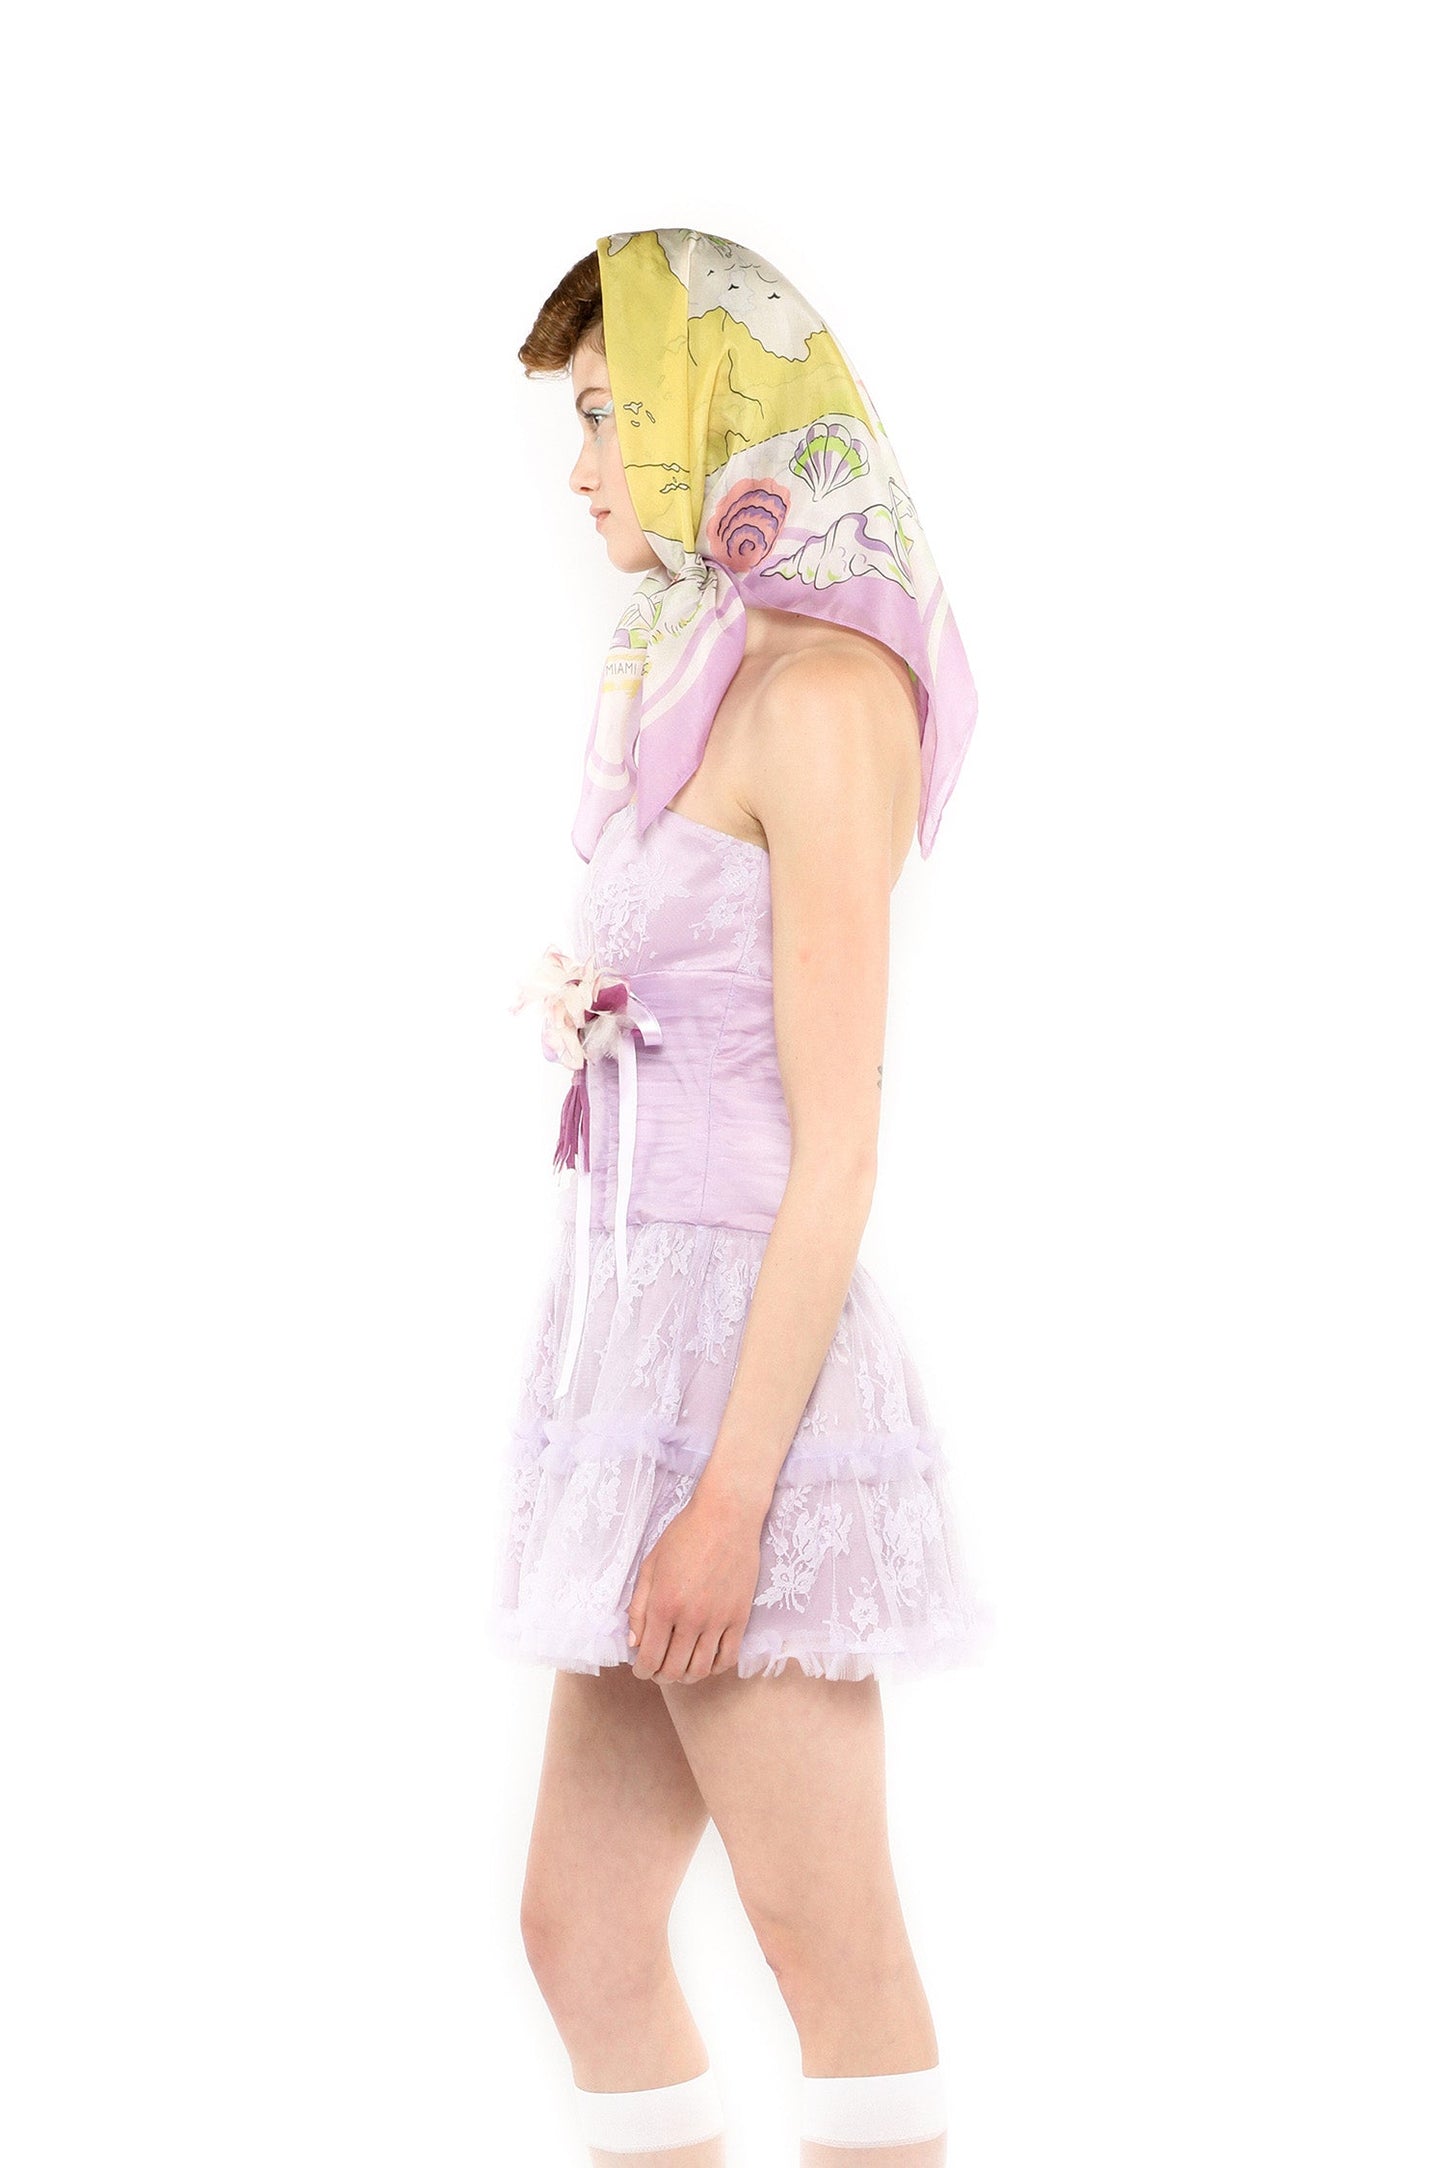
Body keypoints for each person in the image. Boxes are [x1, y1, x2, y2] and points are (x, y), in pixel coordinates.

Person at [492, 228, 994, 2168]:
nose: (582, 470)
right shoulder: (696, 673)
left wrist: (729, 1497)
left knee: (824, 1942)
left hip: (745, 1389)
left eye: (605, 415)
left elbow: (841, 1145)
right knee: (581, 1926)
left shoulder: (824, 695)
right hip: (641, 1365)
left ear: (713, 406)